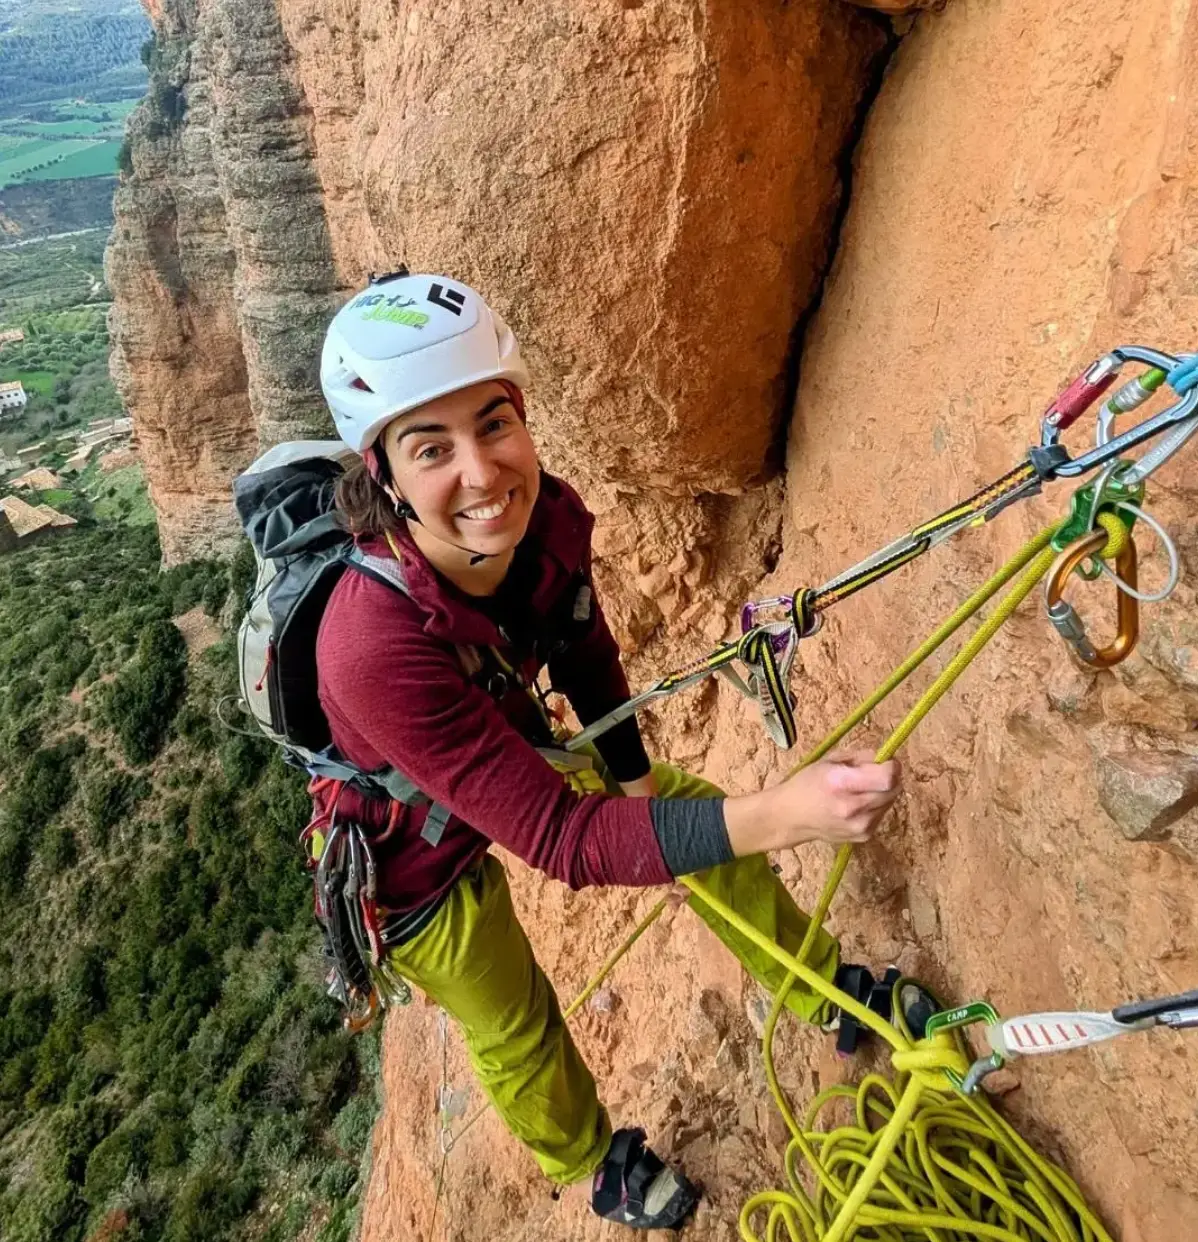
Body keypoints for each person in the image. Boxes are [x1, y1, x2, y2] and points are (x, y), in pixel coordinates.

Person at [312, 271, 904, 1230]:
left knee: (693, 817)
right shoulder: (366, 642)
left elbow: (584, 646)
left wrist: (633, 783)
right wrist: (785, 814)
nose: (481, 473)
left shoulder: (549, 517)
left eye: (494, 424)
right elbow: (561, 840)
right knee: (511, 1016)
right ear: (381, 473)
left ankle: (822, 989)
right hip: (408, 851)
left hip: (501, 748)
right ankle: (597, 1163)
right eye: (432, 448)